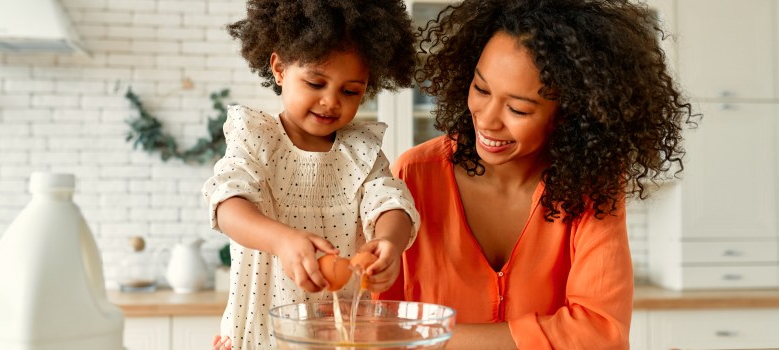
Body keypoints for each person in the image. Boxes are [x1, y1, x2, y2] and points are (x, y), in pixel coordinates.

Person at [373, 0, 697, 349]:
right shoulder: (416, 173)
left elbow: (602, 333)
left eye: (518, 109)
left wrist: (433, 338)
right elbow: (380, 324)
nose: (487, 119)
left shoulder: (592, 186)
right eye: (481, 89)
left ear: (570, 113)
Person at [202, 0, 420, 348]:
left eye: (350, 91)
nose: (331, 101)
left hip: (341, 334)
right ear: (279, 68)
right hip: (262, 332)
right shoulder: (256, 138)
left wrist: (388, 243)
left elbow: (390, 202)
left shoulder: (361, 151)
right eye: (316, 83)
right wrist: (282, 240)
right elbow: (228, 205)